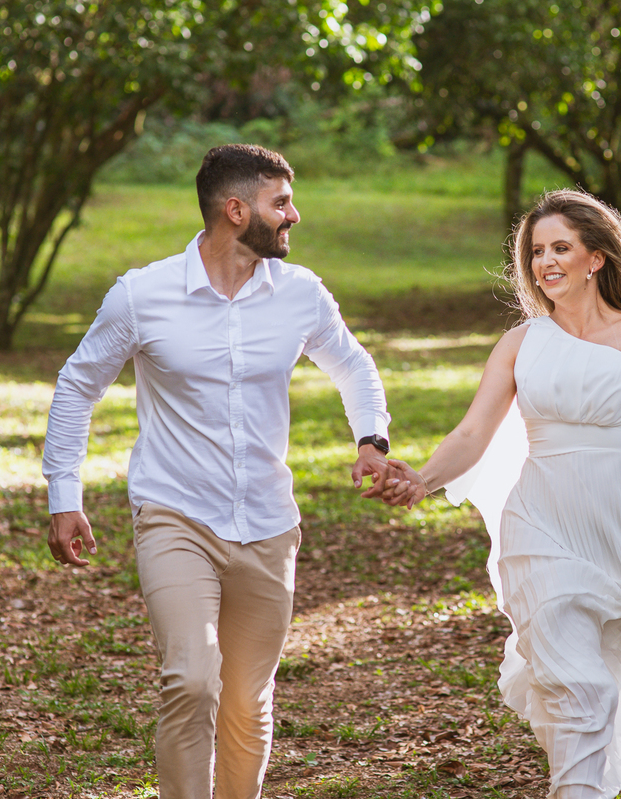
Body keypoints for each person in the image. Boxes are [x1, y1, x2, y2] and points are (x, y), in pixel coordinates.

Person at [42, 144, 394, 799]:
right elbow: (78, 384)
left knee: (245, 697)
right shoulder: (142, 296)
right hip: (175, 514)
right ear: (236, 211)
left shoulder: (299, 294)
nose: (294, 213)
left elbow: (353, 366)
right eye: (280, 202)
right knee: (192, 678)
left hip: (266, 521)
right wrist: (66, 495)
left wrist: (371, 440)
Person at [367, 189, 621, 798]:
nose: (546, 262)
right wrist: (422, 481)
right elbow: (472, 432)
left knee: (607, 682)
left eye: (561, 247)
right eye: (537, 251)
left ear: (596, 257)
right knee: (579, 688)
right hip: (541, 526)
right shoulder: (520, 343)